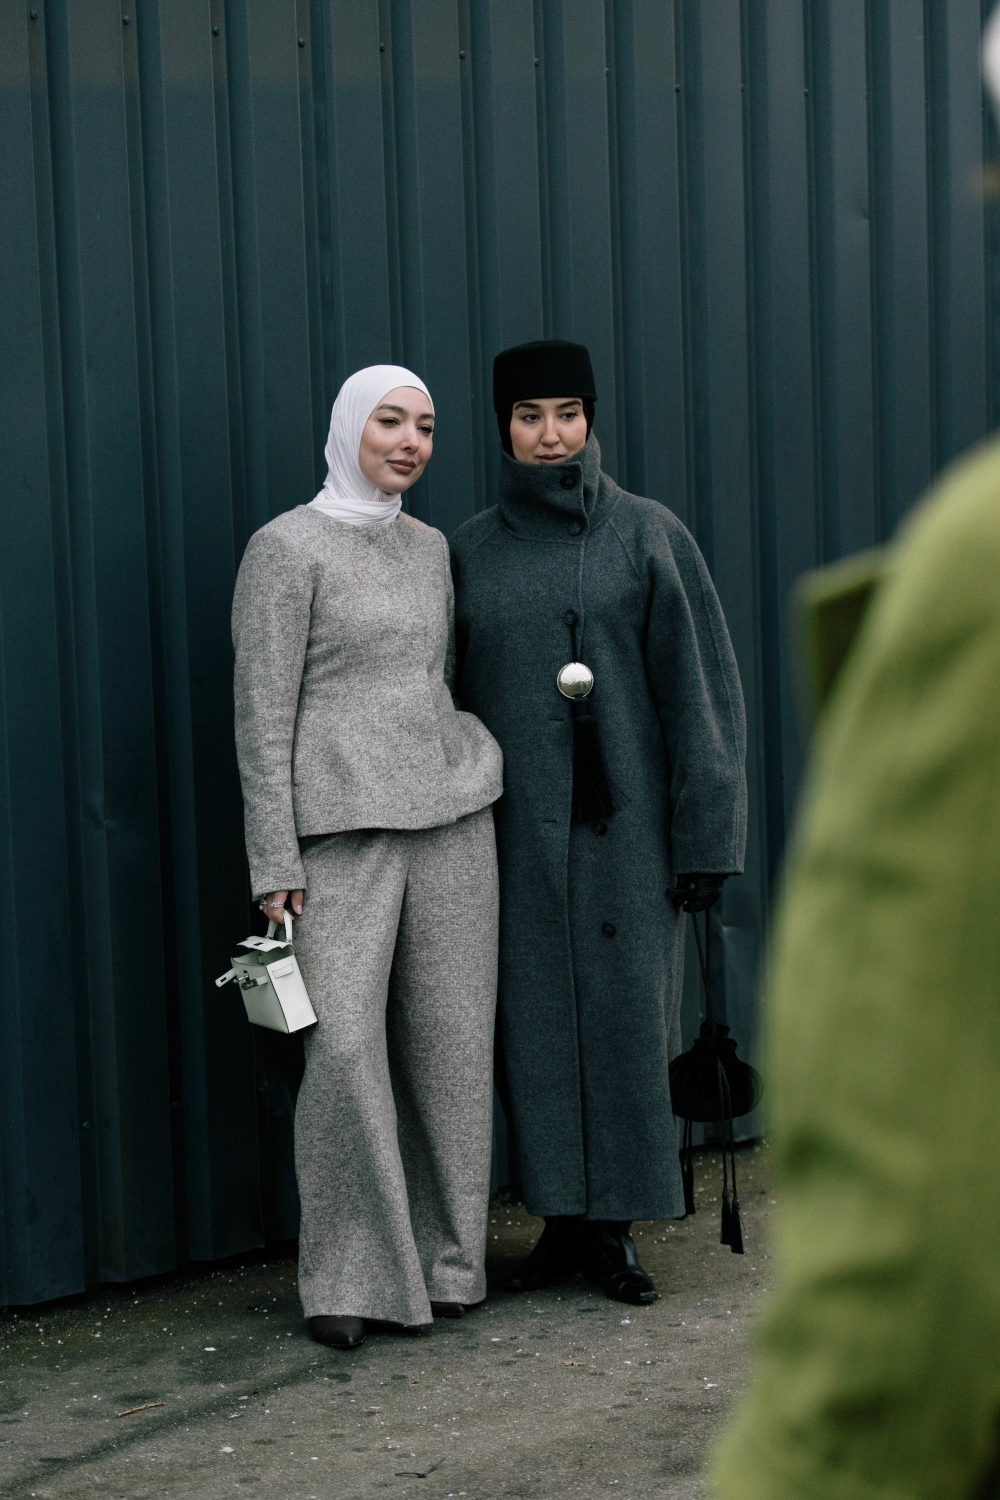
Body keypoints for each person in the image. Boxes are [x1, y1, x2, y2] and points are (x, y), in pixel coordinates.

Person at [449, 339, 747, 1306]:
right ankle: (561, 1219)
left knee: (624, 1021)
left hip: (632, 844)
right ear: (503, 428)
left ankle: (616, 1224)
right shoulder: (471, 552)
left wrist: (708, 840)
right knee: (531, 1028)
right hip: (513, 842)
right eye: (529, 417)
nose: (552, 435)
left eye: (568, 414)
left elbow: (699, 697)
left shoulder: (648, 535)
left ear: (591, 419)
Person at [232, 366, 503, 1351]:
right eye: (390, 421)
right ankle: (347, 1277)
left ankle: (449, 1266)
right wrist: (274, 851)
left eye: (425, 426)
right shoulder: (285, 547)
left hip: (455, 813)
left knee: (450, 1046)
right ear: (349, 425)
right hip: (339, 827)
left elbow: (434, 676)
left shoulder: (429, 546)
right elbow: (260, 712)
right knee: (342, 1048)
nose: (409, 441)